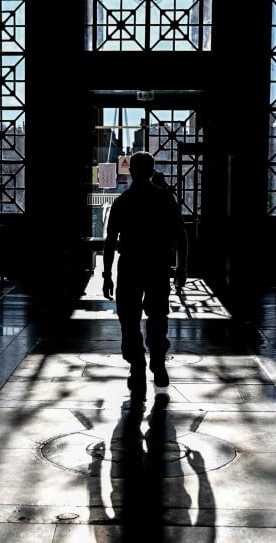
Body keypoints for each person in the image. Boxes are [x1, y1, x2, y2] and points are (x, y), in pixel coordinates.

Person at [102, 151, 188, 400]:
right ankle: (157, 361)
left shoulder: (123, 202)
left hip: (130, 265)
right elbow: (180, 236)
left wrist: (107, 274)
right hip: (157, 265)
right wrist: (182, 267)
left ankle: (136, 363)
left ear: (131, 171)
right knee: (158, 314)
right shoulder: (165, 199)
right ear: (152, 171)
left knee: (129, 317)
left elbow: (110, 241)